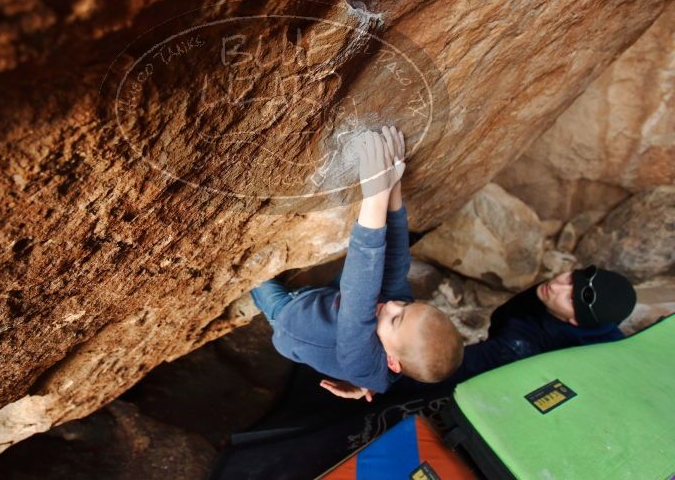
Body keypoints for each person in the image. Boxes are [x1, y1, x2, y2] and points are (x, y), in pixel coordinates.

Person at [251, 126, 464, 401]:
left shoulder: (362, 363)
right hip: (332, 303)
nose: (395, 304)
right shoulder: (397, 336)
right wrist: (393, 191)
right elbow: (395, 265)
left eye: (397, 319)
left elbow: (358, 297)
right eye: (408, 305)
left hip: (291, 319)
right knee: (382, 272)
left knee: (256, 277)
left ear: (391, 361)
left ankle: (256, 286)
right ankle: (311, 290)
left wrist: (375, 193)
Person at [325, 264, 638, 400]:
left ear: (573, 324)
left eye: (569, 298)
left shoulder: (519, 348)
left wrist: (374, 383)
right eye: (573, 278)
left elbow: (446, 372)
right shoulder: (597, 329)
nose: (557, 285)